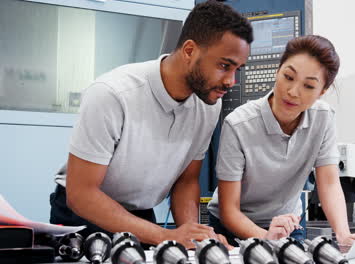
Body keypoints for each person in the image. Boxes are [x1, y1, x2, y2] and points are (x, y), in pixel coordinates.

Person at [49, 0, 252, 248]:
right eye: (224, 66)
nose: (231, 81)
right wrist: (165, 236)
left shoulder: (208, 105)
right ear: (189, 50)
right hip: (83, 215)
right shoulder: (112, 94)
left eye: (237, 70)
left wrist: (195, 237)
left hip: (140, 216)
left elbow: (186, 181)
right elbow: (81, 195)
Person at [208, 35, 355, 251]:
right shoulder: (239, 125)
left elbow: (329, 183)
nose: (293, 92)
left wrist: (343, 234)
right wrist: (266, 236)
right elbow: (229, 211)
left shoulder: (323, 118)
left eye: (308, 86)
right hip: (232, 228)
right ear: (278, 71)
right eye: (288, 77)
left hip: (287, 224)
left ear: (322, 91)